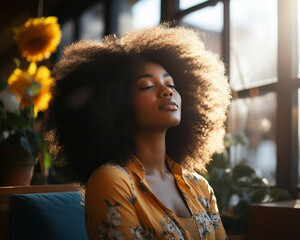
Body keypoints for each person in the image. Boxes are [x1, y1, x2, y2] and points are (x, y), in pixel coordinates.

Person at [47, 25, 231, 240]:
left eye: (170, 83)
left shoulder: (200, 186)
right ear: (115, 104)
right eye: (146, 86)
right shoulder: (111, 180)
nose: (167, 90)